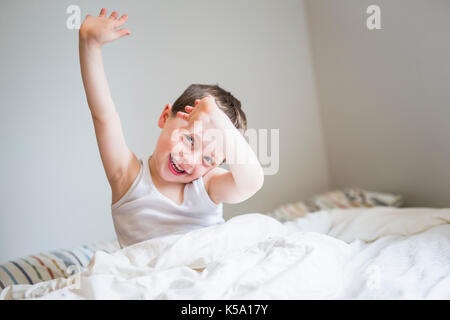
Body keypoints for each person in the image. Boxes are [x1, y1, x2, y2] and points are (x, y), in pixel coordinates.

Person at [79, 8, 264, 247]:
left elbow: (252, 183)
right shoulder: (127, 176)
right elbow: (103, 116)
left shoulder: (207, 186)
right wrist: (89, 45)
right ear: (165, 116)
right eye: (190, 140)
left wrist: (218, 121)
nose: (191, 160)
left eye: (208, 159)